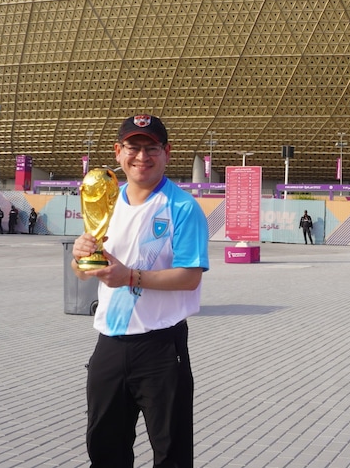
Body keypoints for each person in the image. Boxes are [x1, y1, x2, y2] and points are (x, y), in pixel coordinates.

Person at [71, 114, 210, 468]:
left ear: (167, 152)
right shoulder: (106, 201)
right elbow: (88, 272)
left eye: (152, 149)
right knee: (104, 449)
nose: (142, 157)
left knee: (171, 454)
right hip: (109, 344)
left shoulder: (181, 207)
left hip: (161, 348)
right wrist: (80, 260)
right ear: (119, 152)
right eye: (133, 148)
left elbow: (190, 276)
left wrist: (130, 277)